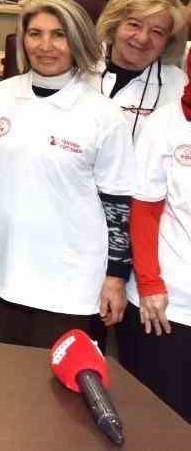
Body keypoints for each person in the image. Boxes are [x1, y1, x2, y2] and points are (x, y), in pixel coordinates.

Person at [0, 0, 136, 348]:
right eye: (35, 34)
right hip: (4, 266)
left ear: (78, 41)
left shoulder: (104, 115)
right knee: (4, 368)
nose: (45, 46)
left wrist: (116, 276)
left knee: (56, 377)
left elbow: (118, 204)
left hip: (70, 279)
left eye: (59, 35)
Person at [121, 83, 191, 422]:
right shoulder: (165, 124)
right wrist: (149, 283)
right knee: (160, 420)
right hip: (170, 304)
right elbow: (145, 210)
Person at [95, 0, 188, 146]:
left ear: (168, 41)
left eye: (157, 32)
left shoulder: (178, 85)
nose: (143, 38)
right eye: (134, 24)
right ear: (114, 25)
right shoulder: (80, 64)